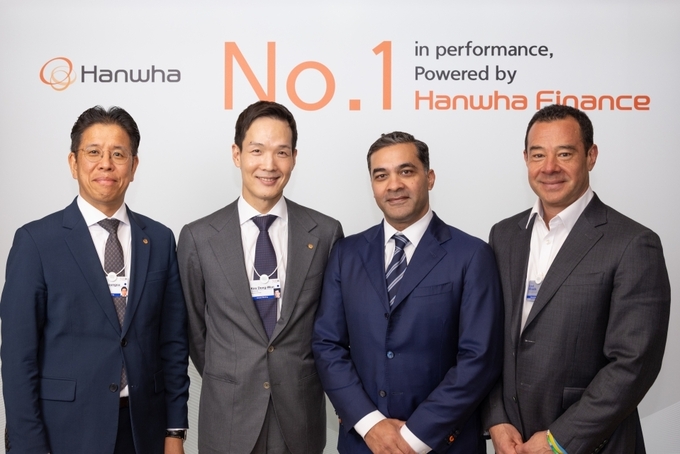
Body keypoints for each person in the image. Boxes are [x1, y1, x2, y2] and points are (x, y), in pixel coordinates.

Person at [482, 104, 671, 454]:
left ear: (591, 156)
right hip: (513, 441)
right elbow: (488, 339)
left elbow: (634, 364)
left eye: (565, 153)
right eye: (538, 154)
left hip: (592, 444)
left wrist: (559, 441)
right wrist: (496, 418)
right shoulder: (504, 235)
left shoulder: (633, 243)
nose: (549, 167)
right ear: (525, 159)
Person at [0, 106, 190, 454]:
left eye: (118, 154)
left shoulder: (160, 239)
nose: (106, 164)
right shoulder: (36, 242)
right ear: (73, 163)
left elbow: (173, 344)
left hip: (143, 431)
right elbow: (17, 359)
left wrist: (175, 431)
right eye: (93, 152)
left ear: (133, 165)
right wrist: (28, 446)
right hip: (63, 432)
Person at [313, 131, 503, 454]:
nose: (394, 185)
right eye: (381, 175)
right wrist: (370, 424)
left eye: (406, 171)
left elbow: (479, 359)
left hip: (443, 445)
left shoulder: (471, 255)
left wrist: (413, 438)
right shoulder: (346, 254)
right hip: (365, 444)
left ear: (429, 178)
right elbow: (327, 345)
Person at [177, 100, 343, 454]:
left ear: (294, 158)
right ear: (237, 154)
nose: (269, 164)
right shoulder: (198, 237)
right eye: (257, 150)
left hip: (300, 417)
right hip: (228, 417)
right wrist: (234, 375)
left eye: (281, 152)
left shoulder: (325, 233)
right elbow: (194, 330)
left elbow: (333, 326)